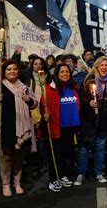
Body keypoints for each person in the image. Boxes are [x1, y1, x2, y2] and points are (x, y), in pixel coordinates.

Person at [0, 60, 38, 197]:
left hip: (22, 128)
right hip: (5, 128)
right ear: (4, 71)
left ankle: (17, 183)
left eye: (14, 69)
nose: (12, 71)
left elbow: (34, 102)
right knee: (6, 157)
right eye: (9, 69)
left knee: (19, 157)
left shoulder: (24, 87)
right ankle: (6, 184)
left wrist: (29, 100)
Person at [39, 63, 80, 192]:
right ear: (56, 74)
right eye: (61, 72)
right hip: (56, 127)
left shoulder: (72, 87)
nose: (65, 74)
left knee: (65, 154)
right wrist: (46, 114)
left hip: (70, 127)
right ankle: (53, 179)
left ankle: (62, 175)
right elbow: (45, 105)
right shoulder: (50, 89)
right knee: (55, 154)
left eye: (67, 72)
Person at [74, 56, 107, 185]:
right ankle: (81, 173)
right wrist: (89, 102)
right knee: (85, 148)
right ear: (97, 66)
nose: (103, 67)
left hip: (103, 119)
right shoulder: (89, 80)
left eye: (106, 65)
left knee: (100, 147)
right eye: (101, 65)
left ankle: (98, 172)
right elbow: (81, 98)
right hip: (89, 120)